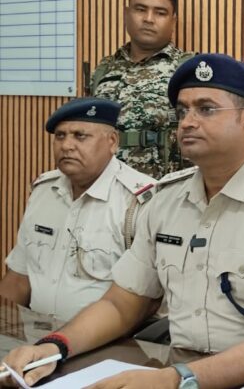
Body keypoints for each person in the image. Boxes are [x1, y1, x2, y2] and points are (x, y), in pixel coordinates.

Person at [2, 54, 244, 389]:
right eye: (182, 111)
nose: (187, 122)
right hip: (181, 370)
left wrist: (175, 379)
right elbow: (121, 304)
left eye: (206, 109)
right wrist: (53, 348)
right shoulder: (166, 199)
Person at [0, 98, 154, 322]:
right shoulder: (43, 191)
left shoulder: (139, 201)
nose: (66, 146)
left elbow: (144, 301)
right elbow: (19, 279)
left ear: (112, 142)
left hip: (108, 338)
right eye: (60, 136)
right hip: (36, 333)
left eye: (80, 136)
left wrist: (66, 339)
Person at [90, 0, 194, 179]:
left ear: (173, 21)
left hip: (164, 187)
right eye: (140, 10)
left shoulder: (187, 69)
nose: (148, 19)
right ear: (126, 14)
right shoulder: (104, 70)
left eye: (160, 13)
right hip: (107, 186)